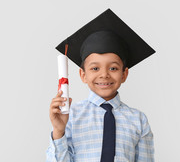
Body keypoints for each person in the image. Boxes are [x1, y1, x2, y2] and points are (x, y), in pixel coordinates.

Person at [46, 9, 155, 162]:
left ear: (124, 74)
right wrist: (59, 130)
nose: (104, 75)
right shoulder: (71, 116)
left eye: (113, 68)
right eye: (95, 68)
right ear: (83, 75)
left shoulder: (138, 120)